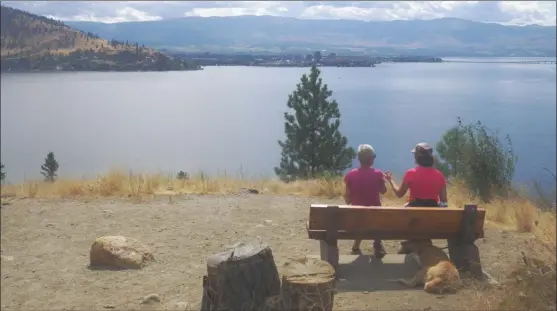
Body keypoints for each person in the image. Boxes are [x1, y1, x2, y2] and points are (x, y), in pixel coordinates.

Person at [383, 142, 448, 254]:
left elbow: (399, 194)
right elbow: (444, 200)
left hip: (413, 217)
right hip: (432, 218)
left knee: (409, 215)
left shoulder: (411, 173)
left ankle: (411, 244)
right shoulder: (439, 175)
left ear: (417, 158)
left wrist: (390, 180)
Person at [344, 144, 388, 258]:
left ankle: (356, 246)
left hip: (357, 216)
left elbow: (347, 197)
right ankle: (377, 244)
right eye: (373, 156)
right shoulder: (378, 174)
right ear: (371, 159)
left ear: (359, 159)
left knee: (360, 220)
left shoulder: (350, 175)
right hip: (375, 214)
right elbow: (383, 191)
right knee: (376, 218)